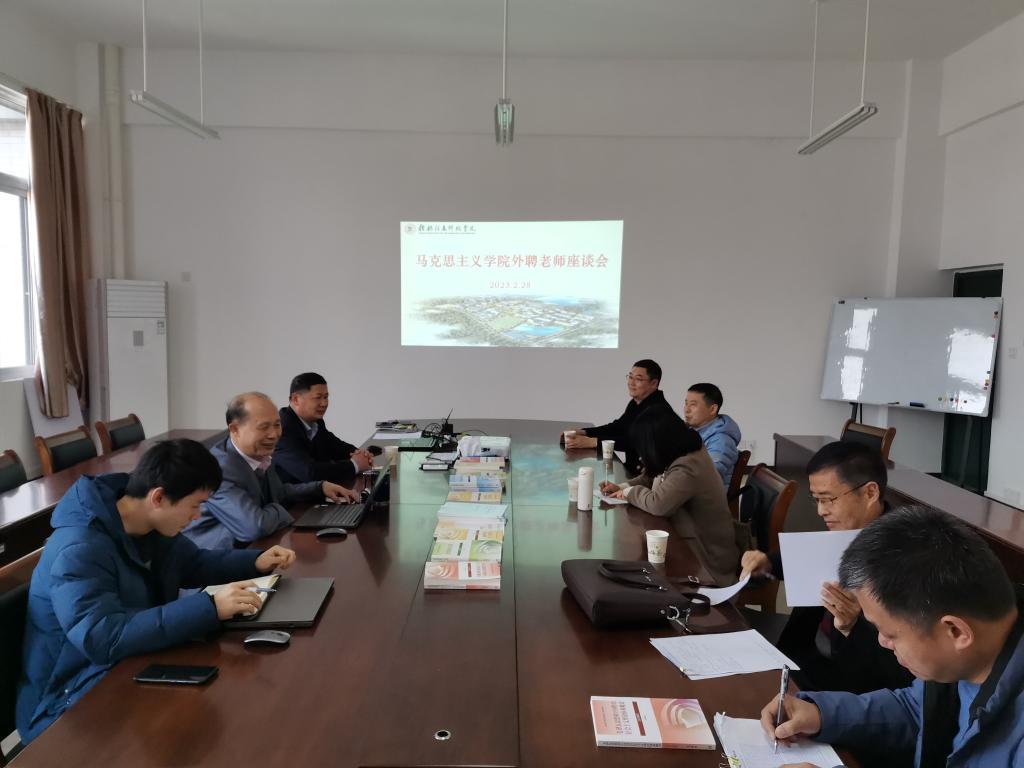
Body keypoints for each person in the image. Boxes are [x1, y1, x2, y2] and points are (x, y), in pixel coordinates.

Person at [16, 439, 298, 744]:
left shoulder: (148, 523)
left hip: (123, 667)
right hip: (67, 701)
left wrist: (255, 561)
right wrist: (210, 607)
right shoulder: (79, 548)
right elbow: (103, 638)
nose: (198, 516)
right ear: (158, 497)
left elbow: (193, 563)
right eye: (195, 505)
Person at [760, 506, 1024, 768]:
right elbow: (916, 709)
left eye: (890, 634)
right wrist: (822, 714)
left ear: (955, 631)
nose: (882, 642)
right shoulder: (966, 659)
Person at [740, 441, 912, 696]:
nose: (821, 511)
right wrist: (766, 562)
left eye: (828, 499)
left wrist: (853, 625)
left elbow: (902, 674)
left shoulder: (904, 557)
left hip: (855, 687)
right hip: (801, 658)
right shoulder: (846, 533)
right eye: (817, 501)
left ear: (870, 493)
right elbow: (809, 560)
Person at [185, 392, 356, 549]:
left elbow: (278, 492)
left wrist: (320, 487)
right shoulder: (219, 470)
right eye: (264, 427)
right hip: (220, 560)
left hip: (257, 548)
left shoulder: (258, 452)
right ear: (235, 430)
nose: (274, 434)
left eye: (277, 425)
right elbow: (254, 527)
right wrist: (282, 510)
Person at [599, 407, 739, 586]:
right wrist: (622, 487)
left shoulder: (689, 466)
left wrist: (629, 493)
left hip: (705, 558)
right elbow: (651, 475)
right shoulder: (677, 451)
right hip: (686, 538)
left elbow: (658, 504)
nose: (642, 454)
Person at [564, 359, 671, 474]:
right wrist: (584, 432)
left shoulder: (659, 410)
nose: (631, 383)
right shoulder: (637, 402)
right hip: (631, 470)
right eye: (630, 377)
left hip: (647, 478)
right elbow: (618, 427)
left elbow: (635, 442)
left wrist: (593, 442)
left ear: (653, 383)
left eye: (638, 379)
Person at [274, 372, 375, 487]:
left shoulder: (316, 421)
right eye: (318, 398)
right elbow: (310, 472)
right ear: (296, 399)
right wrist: (354, 465)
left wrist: (360, 454)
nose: (324, 403)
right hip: (292, 496)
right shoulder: (283, 428)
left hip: (316, 491)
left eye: (326, 397)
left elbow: (334, 445)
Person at [682, 382, 741, 488]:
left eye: (693, 405)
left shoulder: (721, 440)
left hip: (704, 496)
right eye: (686, 403)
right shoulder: (691, 431)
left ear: (712, 409)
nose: (686, 410)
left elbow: (708, 476)